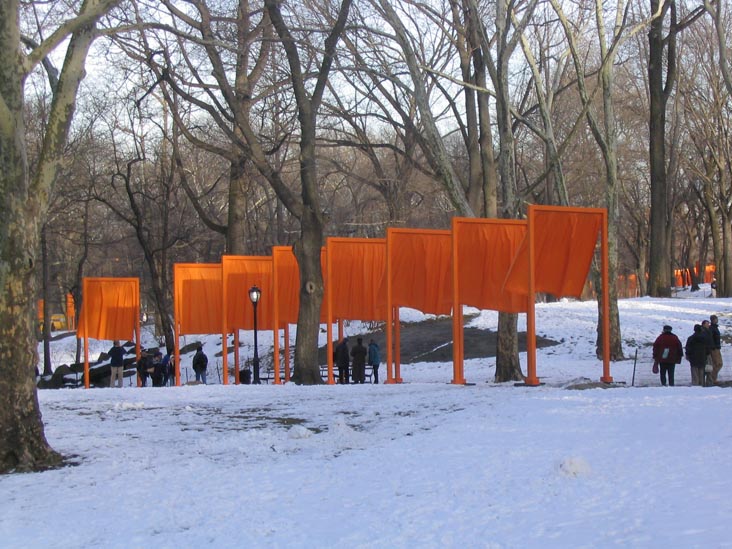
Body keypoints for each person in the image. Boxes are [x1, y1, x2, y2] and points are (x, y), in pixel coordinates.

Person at [709, 314, 723, 383]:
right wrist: (713, 347)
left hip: (717, 347)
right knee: (717, 364)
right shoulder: (712, 328)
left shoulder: (715, 327)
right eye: (716, 319)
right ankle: (712, 379)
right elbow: (711, 338)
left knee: (719, 364)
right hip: (714, 349)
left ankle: (713, 378)